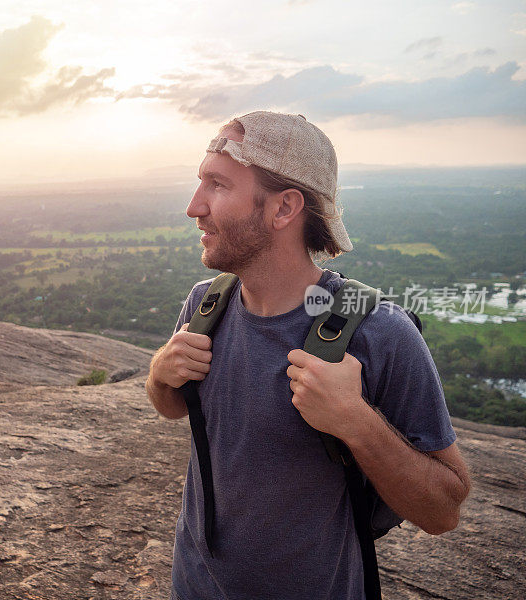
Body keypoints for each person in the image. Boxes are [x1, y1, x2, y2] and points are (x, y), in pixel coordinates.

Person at [144, 111, 472, 600]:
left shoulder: (379, 333)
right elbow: (177, 406)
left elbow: (443, 512)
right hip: (195, 585)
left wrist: (353, 420)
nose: (195, 207)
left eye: (217, 185)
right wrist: (159, 375)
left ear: (283, 209)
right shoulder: (205, 305)